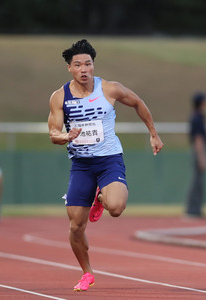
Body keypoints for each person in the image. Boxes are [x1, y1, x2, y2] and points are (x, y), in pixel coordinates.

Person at [48, 39, 164, 292]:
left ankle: (100, 197)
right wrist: (66, 137)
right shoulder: (60, 97)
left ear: (93, 65)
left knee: (117, 207)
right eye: (78, 65)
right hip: (81, 165)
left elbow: (137, 102)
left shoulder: (109, 89)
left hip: (109, 160)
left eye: (88, 64)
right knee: (76, 227)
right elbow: (53, 133)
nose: (84, 69)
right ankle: (87, 272)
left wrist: (153, 133)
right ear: (69, 68)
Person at [185, 92, 206, 218]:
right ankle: (193, 210)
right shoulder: (197, 117)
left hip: (198, 150)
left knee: (197, 182)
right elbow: (198, 139)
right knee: (197, 182)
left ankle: (195, 209)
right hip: (198, 150)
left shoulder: (197, 116)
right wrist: (202, 158)